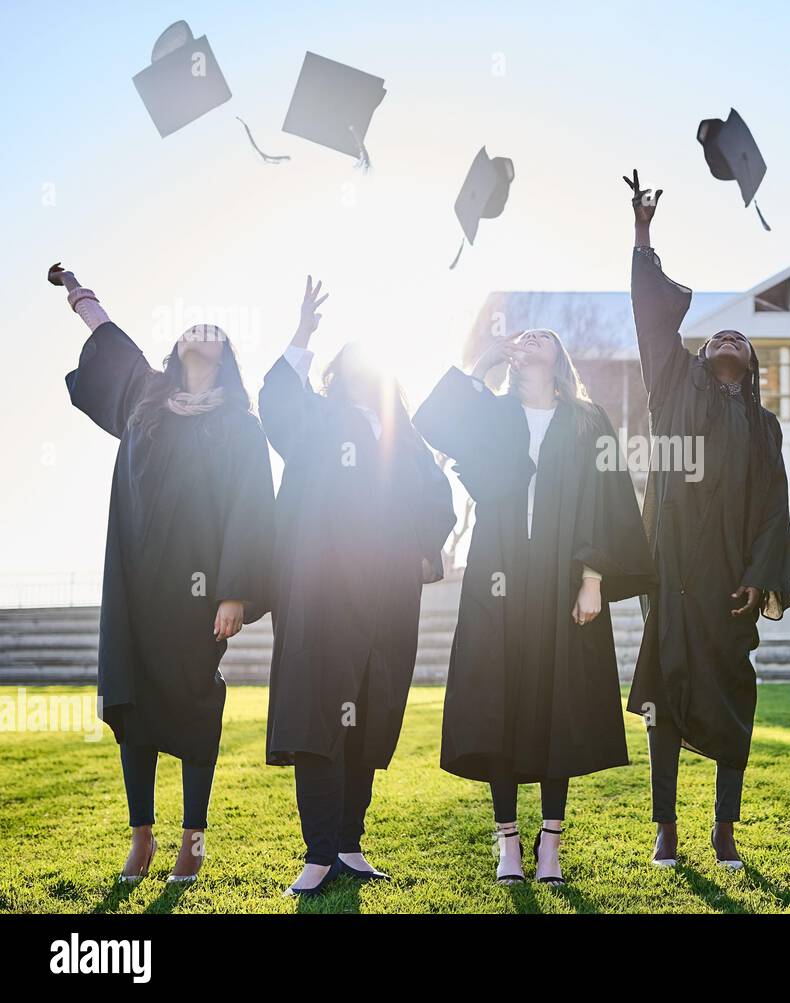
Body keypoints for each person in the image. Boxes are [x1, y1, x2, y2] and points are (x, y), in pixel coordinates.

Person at [52, 262, 275, 885]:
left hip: (198, 589)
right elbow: (111, 342)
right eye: (191, 327)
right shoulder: (147, 397)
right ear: (178, 346)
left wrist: (233, 591)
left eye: (213, 329)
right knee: (136, 697)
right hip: (136, 582)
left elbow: (251, 506)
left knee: (195, 700)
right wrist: (80, 296)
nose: (199, 332)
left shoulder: (238, 424)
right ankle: (142, 836)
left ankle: (193, 838)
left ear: (226, 353)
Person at [414, 328, 653, 886]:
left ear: (560, 356)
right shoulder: (494, 414)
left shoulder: (588, 420)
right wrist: (482, 363)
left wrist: (593, 580)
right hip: (497, 569)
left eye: (544, 335)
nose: (532, 338)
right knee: (498, 697)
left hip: (563, 576)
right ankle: (508, 844)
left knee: (556, 702)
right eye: (524, 336)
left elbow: (608, 499)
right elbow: (435, 423)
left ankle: (550, 843)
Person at [622, 171, 790, 869]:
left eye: (740, 340)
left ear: (749, 364)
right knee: (665, 698)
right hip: (674, 580)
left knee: (734, 701)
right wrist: (642, 236)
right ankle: (666, 825)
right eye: (718, 336)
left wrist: (761, 578)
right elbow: (649, 317)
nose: (727, 339)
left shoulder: (763, 429)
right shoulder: (672, 391)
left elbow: (772, 510)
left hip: (729, 585)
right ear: (702, 356)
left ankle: (724, 826)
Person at [260, 277, 455, 897]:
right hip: (322, 585)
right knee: (322, 710)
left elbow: (435, 495)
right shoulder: (317, 417)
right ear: (335, 373)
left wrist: (427, 548)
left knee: (368, 714)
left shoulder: (407, 434)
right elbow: (276, 407)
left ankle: (348, 842)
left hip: (389, 592)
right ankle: (318, 851)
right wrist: (302, 335)